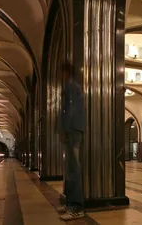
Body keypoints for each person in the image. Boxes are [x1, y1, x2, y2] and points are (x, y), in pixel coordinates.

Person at [57, 62, 85, 220]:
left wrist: (65, 129)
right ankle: (69, 202)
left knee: (73, 168)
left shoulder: (71, 87)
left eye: (61, 72)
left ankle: (76, 207)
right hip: (72, 130)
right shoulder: (71, 87)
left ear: (66, 72)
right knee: (69, 169)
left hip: (72, 131)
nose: (59, 77)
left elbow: (70, 110)